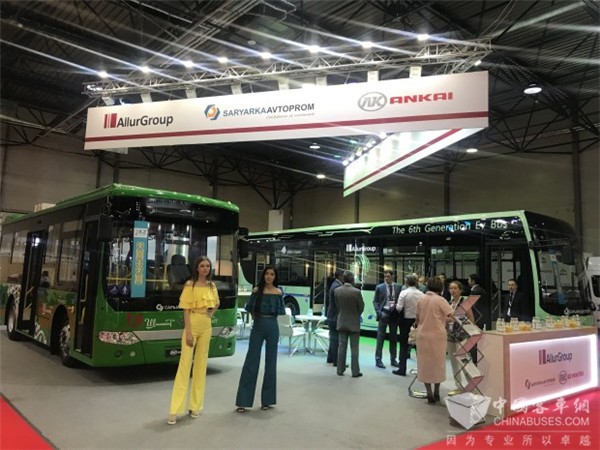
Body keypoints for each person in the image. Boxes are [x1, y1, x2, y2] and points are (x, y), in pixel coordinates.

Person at [168, 256, 219, 425]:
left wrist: (211, 314)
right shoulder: (190, 285)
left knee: (201, 366)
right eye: (202, 266)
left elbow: (216, 303)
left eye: (208, 266)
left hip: (206, 326)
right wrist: (188, 332)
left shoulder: (212, 286)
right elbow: (186, 310)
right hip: (192, 325)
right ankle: (175, 410)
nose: (205, 268)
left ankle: (195, 406)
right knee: (184, 366)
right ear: (197, 268)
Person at [235, 265, 285, 413]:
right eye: (267, 274)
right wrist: (258, 320)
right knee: (251, 361)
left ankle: (267, 401)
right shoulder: (257, 291)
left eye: (272, 274)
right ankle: (243, 401)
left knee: (271, 363)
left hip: (272, 327)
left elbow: (279, 312)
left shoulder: (278, 293)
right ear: (263, 275)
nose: (269, 276)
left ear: (275, 277)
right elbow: (251, 309)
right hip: (258, 326)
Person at [414, 276, 456, 404]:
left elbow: (417, 319)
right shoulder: (440, 300)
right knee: (438, 363)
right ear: (440, 287)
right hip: (437, 335)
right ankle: (437, 391)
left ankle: (429, 392)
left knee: (424, 364)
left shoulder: (421, 299)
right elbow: (451, 316)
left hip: (423, 335)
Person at [446, 280, 475, 393]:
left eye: (455, 288)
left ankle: (471, 385)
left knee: (464, 360)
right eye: (451, 288)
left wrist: (468, 331)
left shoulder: (464, 302)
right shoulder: (449, 303)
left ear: (460, 290)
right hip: (450, 335)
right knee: (453, 362)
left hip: (462, 336)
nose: (452, 290)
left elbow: (471, 319)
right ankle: (458, 386)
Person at [335, 271, 364, 377]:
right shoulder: (357, 292)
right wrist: (355, 314)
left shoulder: (337, 291)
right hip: (354, 323)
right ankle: (355, 371)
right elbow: (361, 307)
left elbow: (337, 306)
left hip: (342, 321)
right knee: (354, 348)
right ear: (352, 280)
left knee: (341, 347)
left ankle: (340, 369)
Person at [393, 275, 423, 376]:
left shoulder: (404, 293)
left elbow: (399, 308)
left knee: (403, 345)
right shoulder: (421, 294)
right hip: (417, 322)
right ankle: (421, 370)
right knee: (418, 345)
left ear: (406, 282)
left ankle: (402, 369)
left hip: (405, 321)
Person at [373, 269, 401, 369]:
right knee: (380, 338)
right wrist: (379, 313)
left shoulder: (398, 287)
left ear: (392, 277)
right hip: (384, 313)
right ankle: (378, 360)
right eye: (385, 276)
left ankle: (393, 359)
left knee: (393, 338)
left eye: (388, 276)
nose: (386, 278)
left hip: (394, 314)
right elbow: (375, 301)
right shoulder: (379, 287)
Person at [326, 269, 344, 366]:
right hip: (335, 316)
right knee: (336, 339)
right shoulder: (337, 287)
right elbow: (338, 303)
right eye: (343, 275)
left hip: (332, 316)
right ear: (340, 276)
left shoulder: (335, 285)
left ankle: (330, 358)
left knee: (333, 338)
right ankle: (337, 361)